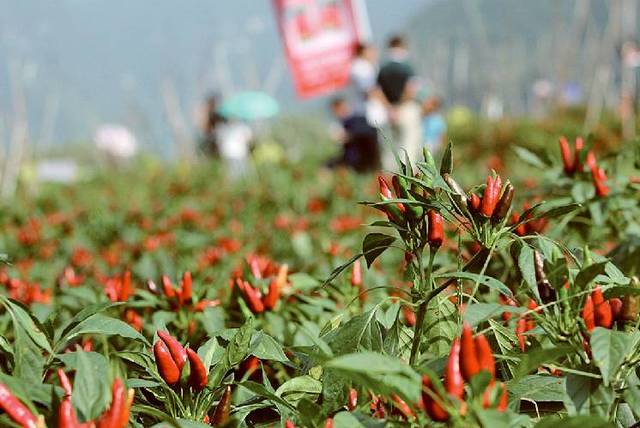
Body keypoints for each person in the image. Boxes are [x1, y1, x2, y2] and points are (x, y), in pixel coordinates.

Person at [377, 35, 421, 168]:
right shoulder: (407, 67)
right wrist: (399, 106)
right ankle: (408, 176)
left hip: (388, 111)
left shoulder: (383, 69)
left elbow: (377, 91)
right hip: (406, 109)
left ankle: (390, 176)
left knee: (391, 146)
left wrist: (390, 107)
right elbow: (410, 90)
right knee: (409, 144)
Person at [327, 97, 380, 173]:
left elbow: (368, 132)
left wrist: (348, 136)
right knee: (327, 165)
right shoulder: (343, 123)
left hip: (361, 160)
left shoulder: (358, 119)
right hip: (351, 159)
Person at [349, 42, 387, 127]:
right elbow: (371, 91)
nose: (374, 53)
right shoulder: (361, 68)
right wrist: (388, 107)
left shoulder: (367, 66)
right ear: (364, 52)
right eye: (371, 51)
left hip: (374, 113)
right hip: (370, 114)